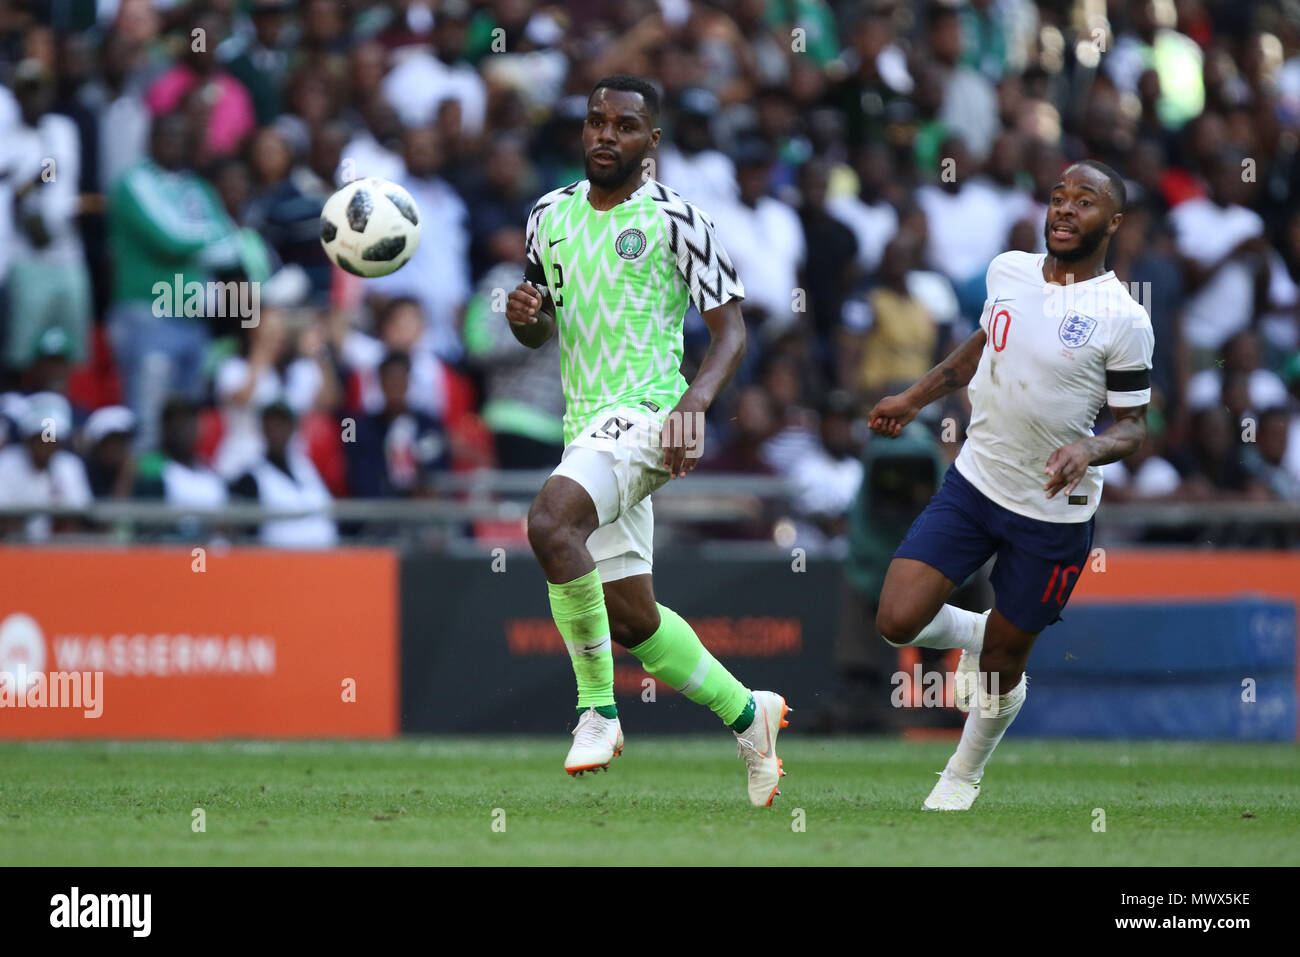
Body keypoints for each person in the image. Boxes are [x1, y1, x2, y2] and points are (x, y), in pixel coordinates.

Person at [506, 76, 789, 806]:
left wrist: (695, 401)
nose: (606, 135)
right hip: (586, 427)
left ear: (651, 142)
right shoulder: (547, 216)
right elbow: (541, 324)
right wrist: (525, 316)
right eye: (596, 122)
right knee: (632, 617)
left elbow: (731, 330)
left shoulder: (677, 218)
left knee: (547, 521)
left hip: (649, 415)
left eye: (625, 126)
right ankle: (748, 712)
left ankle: (597, 710)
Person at [868, 160, 1155, 810]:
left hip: (1051, 513)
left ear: (1112, 222)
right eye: (1058, 197)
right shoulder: (1008, 270)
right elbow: (982, 345)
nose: (1064, 210)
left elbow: (1135, 426)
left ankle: (962, 773)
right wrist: (914, 397)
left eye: (1084, 202)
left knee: (1003, 665)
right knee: (896, 618)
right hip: (975, 481)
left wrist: (1090, 446)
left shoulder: (1124, 318)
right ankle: (986, 632)